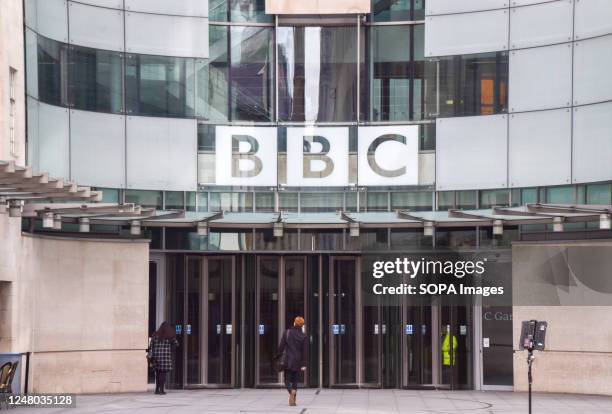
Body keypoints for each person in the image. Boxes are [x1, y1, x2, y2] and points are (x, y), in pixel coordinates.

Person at [277, 316, 307, 407]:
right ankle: (293, 401)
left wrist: (278, 356)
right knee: (295, 381)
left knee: (287, 379)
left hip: (288, 360)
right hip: (298, 361)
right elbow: (304, 351)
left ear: (294, 323)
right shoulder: (303, 336)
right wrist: (304, 364)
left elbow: (281, 347)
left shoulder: (287, 332)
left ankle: (291, 391)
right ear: (302, 325)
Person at [150, 322, 179, 395]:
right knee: (163, 374)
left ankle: (157, 390)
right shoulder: (170, 336)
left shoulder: (155, 335)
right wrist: (171, 349)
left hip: (156, 357)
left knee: (158, 373)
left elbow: (151, 345)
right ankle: (162, 390)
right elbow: (176, 344)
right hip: (165, 358)